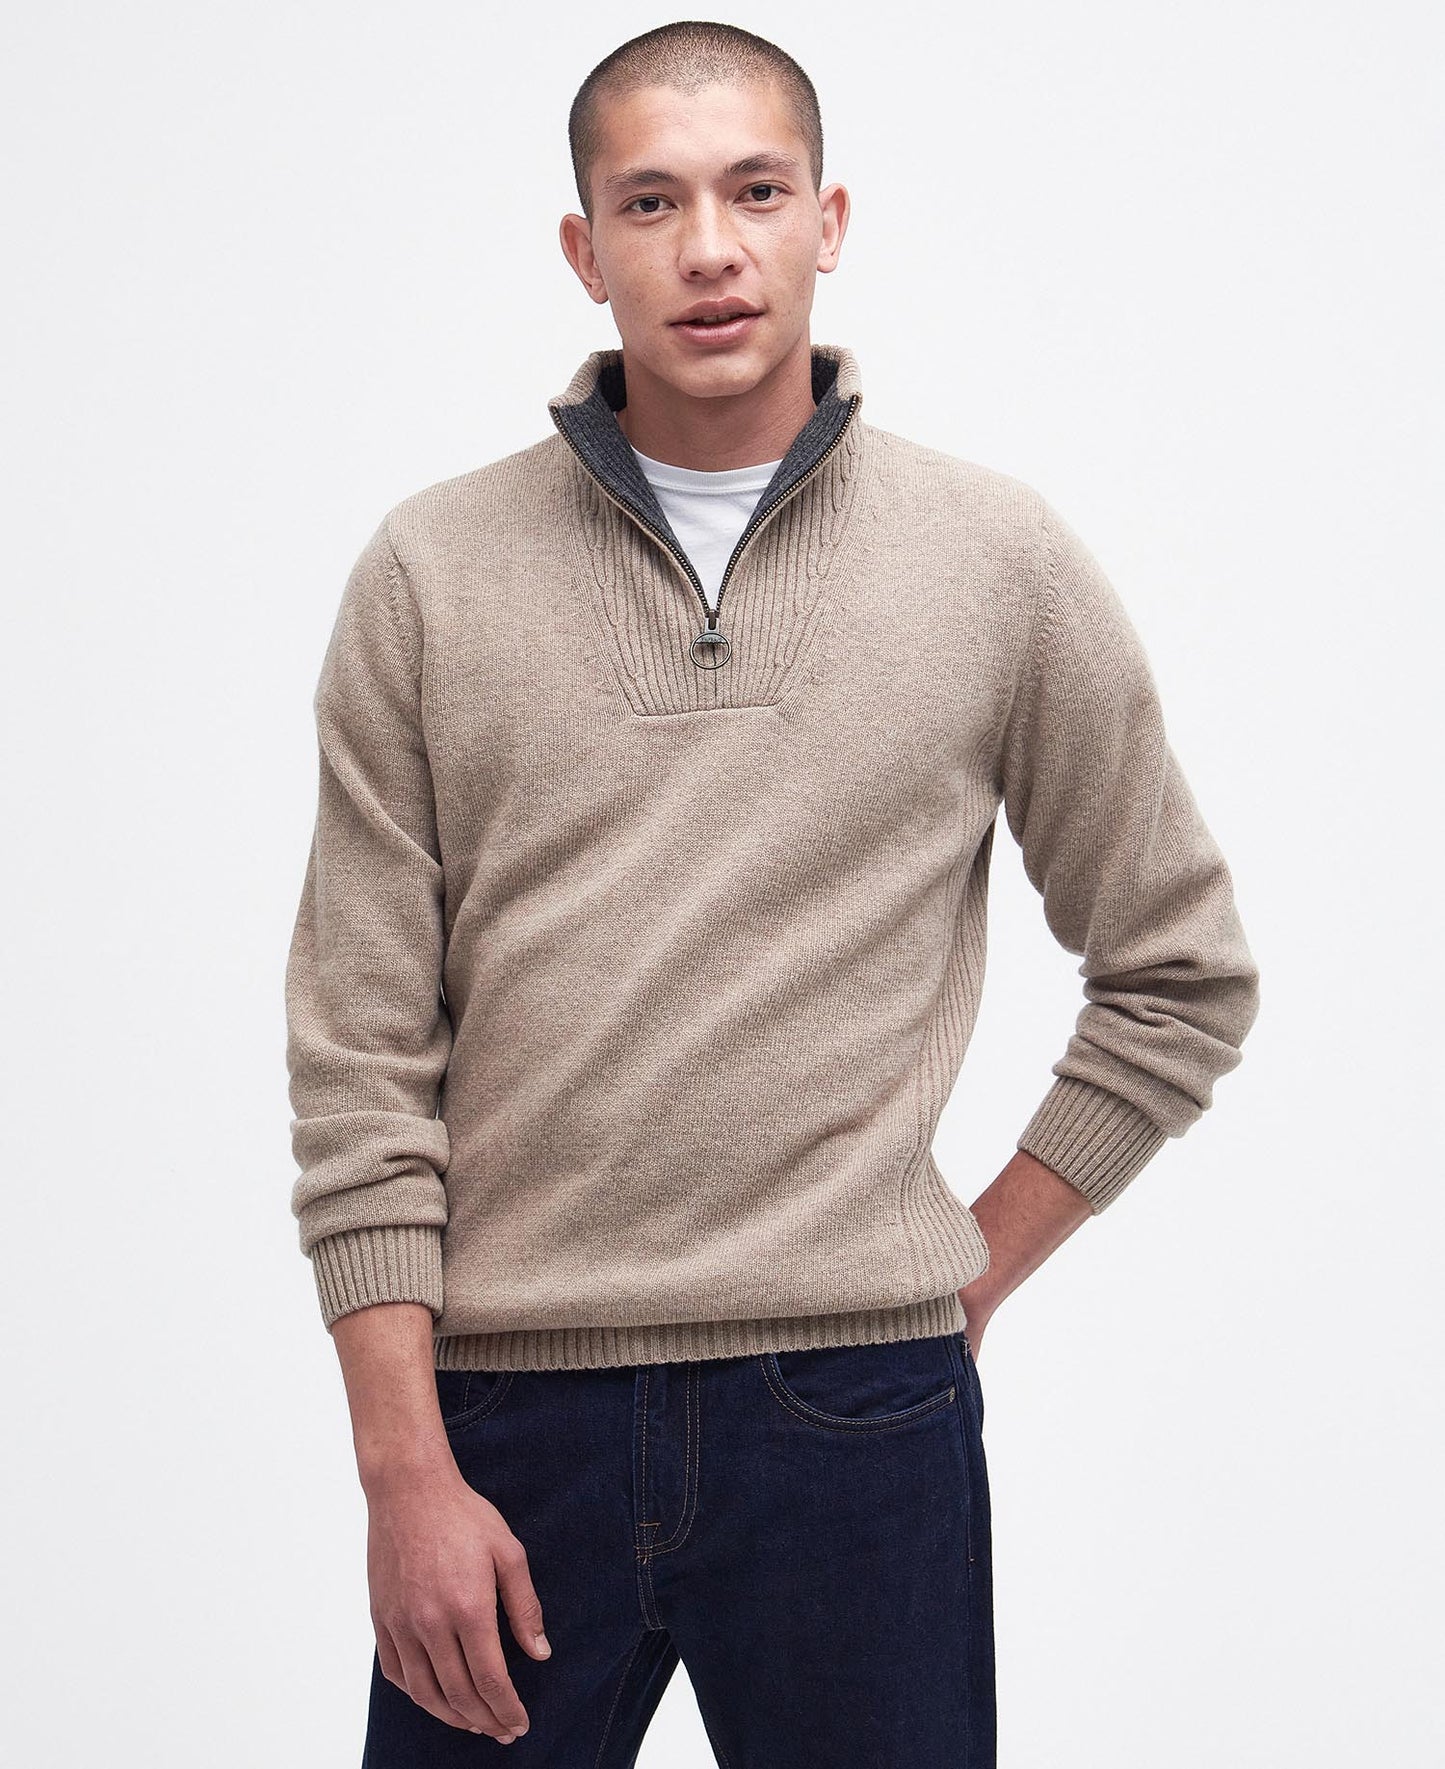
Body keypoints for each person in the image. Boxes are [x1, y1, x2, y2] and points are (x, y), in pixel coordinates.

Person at [283, 20, 1261, 1766]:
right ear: (584, 249)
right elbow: (359, 1057)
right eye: (650, 202)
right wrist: (399, 1464)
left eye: (753, 191)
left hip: (855, 1418)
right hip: (507, 1423)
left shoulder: (995, 561)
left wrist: (958, 1278)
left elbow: (1178, 975)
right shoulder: (431, 573)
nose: (710, 248)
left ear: (828, 220)